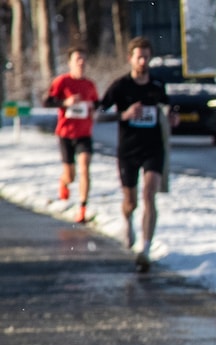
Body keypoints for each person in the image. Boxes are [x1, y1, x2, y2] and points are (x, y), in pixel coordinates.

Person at [99, 36, 177, 272]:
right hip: (128, 150)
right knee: (130, 201)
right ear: (130, 59)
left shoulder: (157, 85)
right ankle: (127, 221)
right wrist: (124, 115)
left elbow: (167, 107)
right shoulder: (120, 86)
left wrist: (172, 117)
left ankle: (145, 247)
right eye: (139, 57)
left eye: (146, 56)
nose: (143, 61)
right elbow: (99, 114)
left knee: (149, 193)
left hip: (153, 148)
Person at [44, 47, 99, 223]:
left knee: (85, 168)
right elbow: (48, 102)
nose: (81, 63)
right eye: (77, 60)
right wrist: (65, 102)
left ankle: (82, 208)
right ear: (70, 63)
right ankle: (64, 181)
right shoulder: (62, 82)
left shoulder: (90, 85)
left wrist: (92, 108)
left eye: (83, 59)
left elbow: (99, 104)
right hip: (66, 134)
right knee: (71, 175)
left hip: (84, 133)